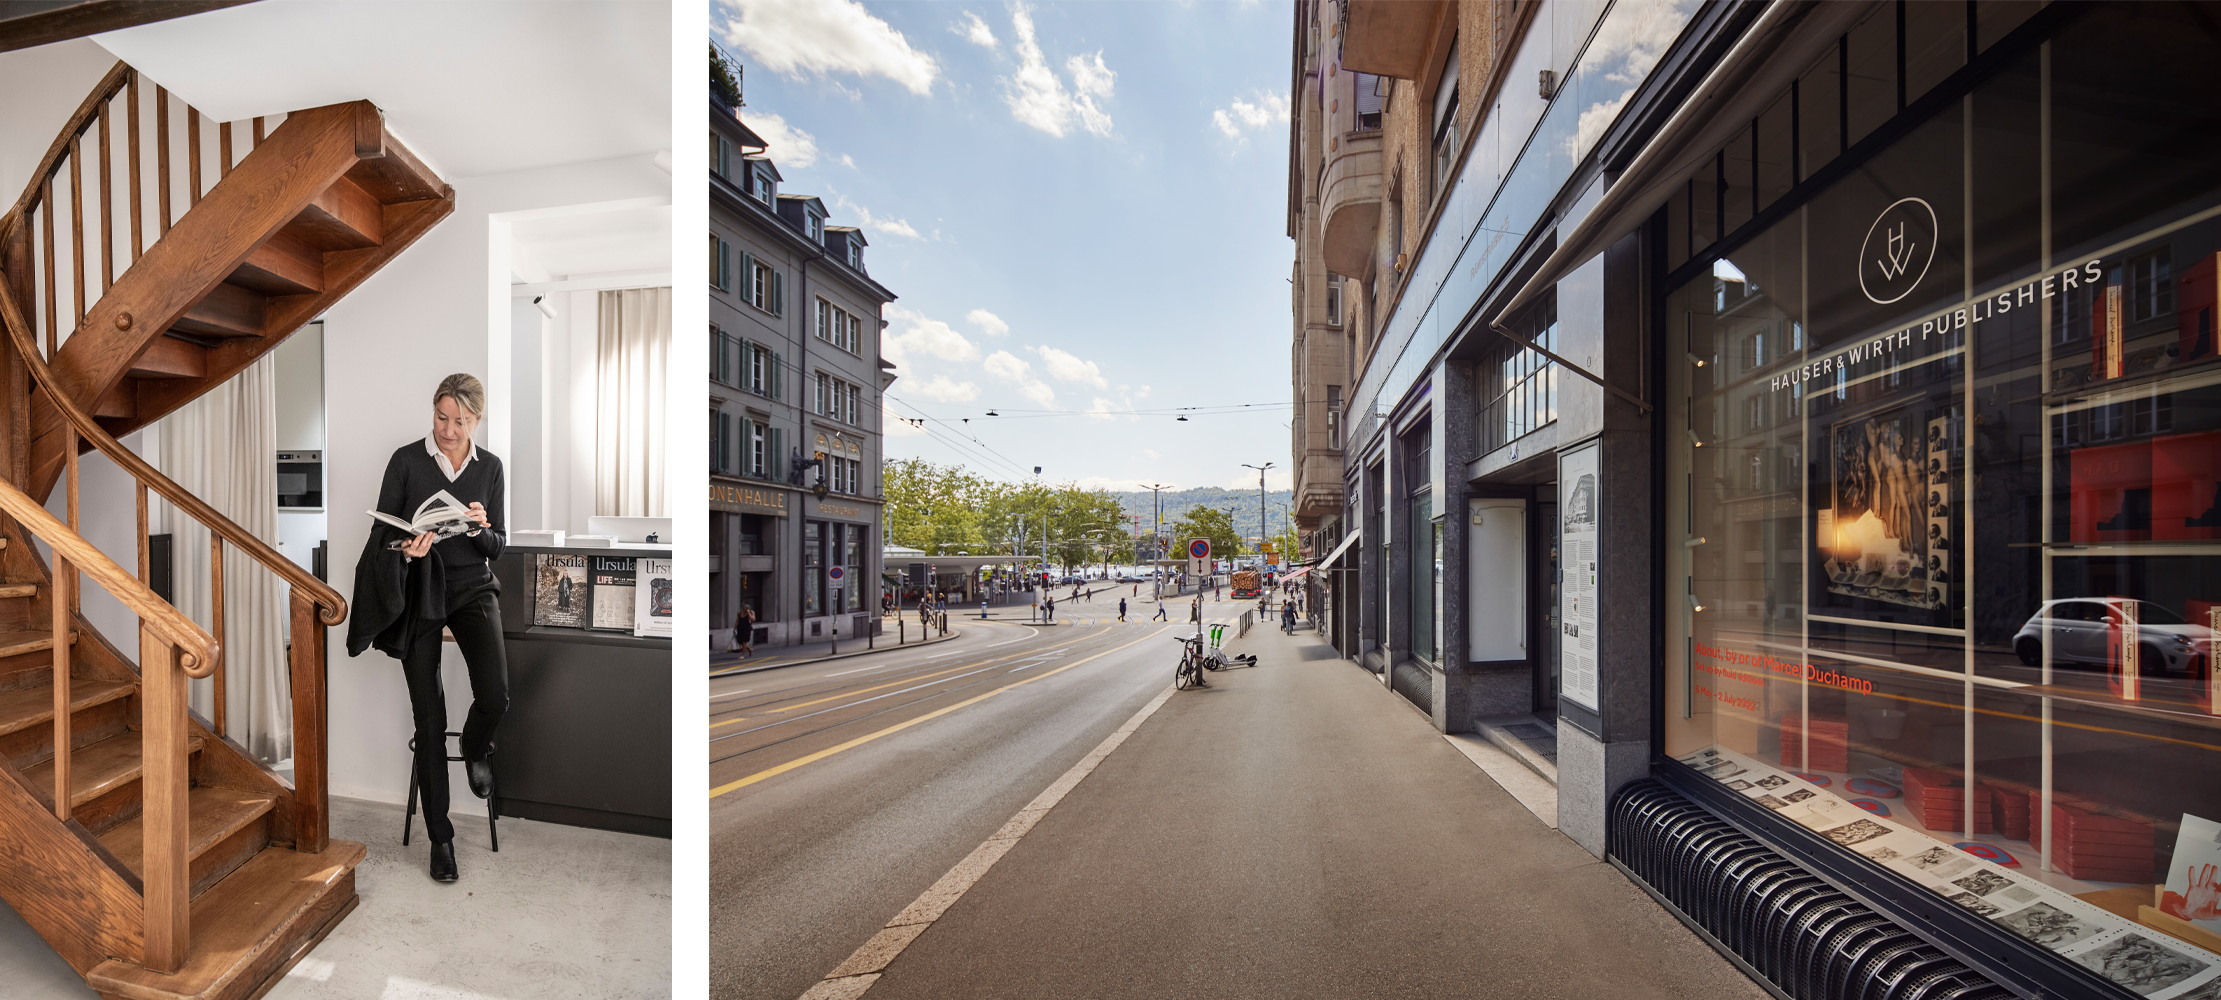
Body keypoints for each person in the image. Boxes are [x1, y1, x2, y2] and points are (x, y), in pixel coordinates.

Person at [345, 374, 506, 884]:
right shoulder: (405, 460)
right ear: (432, 412)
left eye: (460, 421)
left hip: (473, 588)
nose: (449, 430)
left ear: (476, 421)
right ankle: (441, 838)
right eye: (441, 417)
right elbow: (380, 534)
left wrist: (480, 529)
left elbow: (498, 546)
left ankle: (477, 748)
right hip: (420, 589)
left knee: (496, 695)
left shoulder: (492, 468)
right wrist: (404, 547)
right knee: (429, 719)